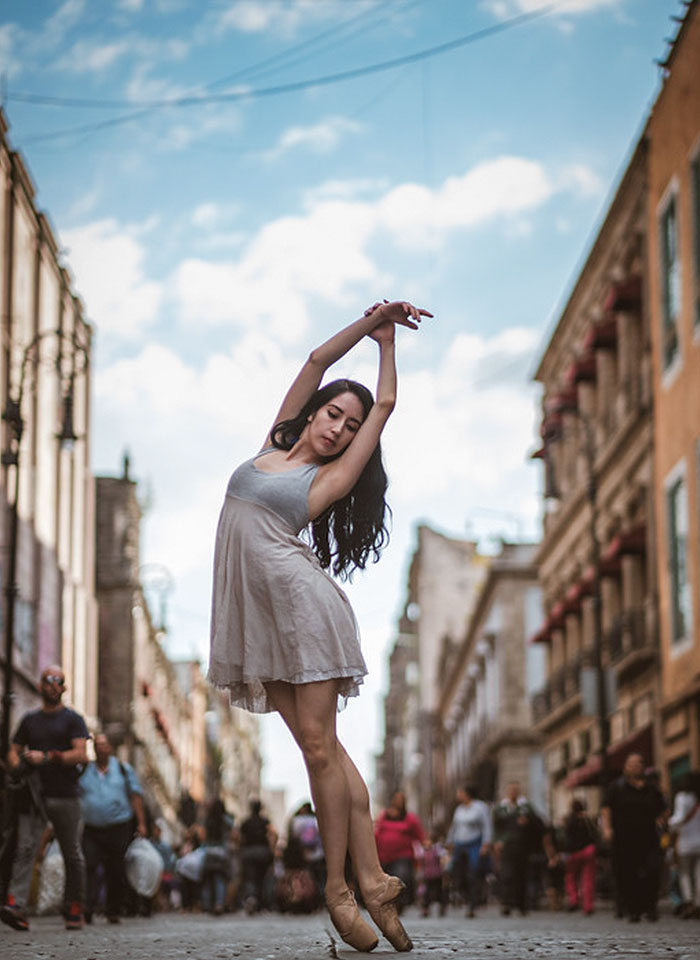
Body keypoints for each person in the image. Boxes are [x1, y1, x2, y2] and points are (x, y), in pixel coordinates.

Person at [208, 299, 431, 952]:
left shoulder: (328, 475)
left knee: (315, 749)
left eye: (349, 422)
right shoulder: (275, 441)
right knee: (324, 752)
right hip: (258, 622)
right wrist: (367, 326)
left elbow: (385, 407)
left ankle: (340, 891)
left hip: (304, 613)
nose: (338, 427)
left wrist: (389, 350)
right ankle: (376, 882)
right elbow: (315, 360)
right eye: (334, 412)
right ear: (313, 412)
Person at [0, 665, 88, 932]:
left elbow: (81, 754)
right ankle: (17, 906)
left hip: (64, 795)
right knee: (26, 849)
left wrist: (48, 757)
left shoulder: (73, 719)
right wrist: (19, 763)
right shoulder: (30, 721)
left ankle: (74, 907)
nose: (52, 684)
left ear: (63, 687)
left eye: (57, 681)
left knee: (72, 853)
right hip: (34, 795)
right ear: (40, 686)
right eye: (47, 680)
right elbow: (13, 751)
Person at [78, 732, 147, 923]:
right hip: (92, 828)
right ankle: (88, 907)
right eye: (97, 745)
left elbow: (135, 795)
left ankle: (113, 909)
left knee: (115, 869)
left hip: (118, 827)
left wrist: (141, 823)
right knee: (89, 866)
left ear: (110, 748)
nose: (100, 748)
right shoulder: (85, 770)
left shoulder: (123, 769)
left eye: (104, 744)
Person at [601, 752, 666, 922]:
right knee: (627, 875)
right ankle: (634, 910)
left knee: (652, 871)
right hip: (624, 839)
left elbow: (663, 809)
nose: (636, 766)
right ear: (626, 767)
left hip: (649, 837)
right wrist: (607, 829)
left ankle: (650, 907)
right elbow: (606, 809)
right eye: (632, 764)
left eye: (639, 763)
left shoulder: (651, 788)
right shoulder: (616, 787)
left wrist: (662, 820)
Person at [374, 791, 425, 912]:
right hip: (384, 856)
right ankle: (388, 904)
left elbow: (420, 834)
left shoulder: (410, 818)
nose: (398, 801)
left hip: (403, 856)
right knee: (385, 882)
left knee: (401, 877)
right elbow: (376, 832)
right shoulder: (383, 816)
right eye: (396, 798)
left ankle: (400, 903)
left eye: (400, 799)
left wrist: (426, 843)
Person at [445, 785, 492, 918]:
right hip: (460, 843)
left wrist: (486, 843)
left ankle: (473, 902)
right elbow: (454, 827)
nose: (458, 795)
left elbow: (486, 825)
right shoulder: (459, 809)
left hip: (474, 843)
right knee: (455, 871)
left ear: (467, 794)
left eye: (460, 792)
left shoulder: (480, 807)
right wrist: (450, 841)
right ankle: (464, 894)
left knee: (474, 871)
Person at [492, 781, 537, 916]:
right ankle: (506, 902)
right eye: (510, 790)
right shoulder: (501, 808)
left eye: (515, 790)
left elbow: (536, 824)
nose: (513, 792)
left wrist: (528, 822)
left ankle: (521, 904)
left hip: (522, 845)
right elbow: (496, 827)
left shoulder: (526, 807)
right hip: (506, 845)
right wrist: (497, 842)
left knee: (522, 875)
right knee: (507, 874)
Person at [668, 771, 700, 918]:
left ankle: (688, 901)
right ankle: (698, 902)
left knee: (685, 873)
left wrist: (669, 824)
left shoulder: (682, 797)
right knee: (698, 874)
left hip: (686, 842)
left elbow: (679, 818)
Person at [561, 798, 598, 916]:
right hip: (588, 850)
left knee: (570, 877)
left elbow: (565, 837)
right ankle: (588, 905)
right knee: (588, 879)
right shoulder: (588, 820)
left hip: (574, 852)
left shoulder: (569, 820)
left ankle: (574, 899)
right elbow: (595, 835)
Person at [239, 799, 274, 914]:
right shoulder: (265, 822)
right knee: (262, 879)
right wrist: (271, 850)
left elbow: (240, 838)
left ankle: (251, 898)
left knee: (250, 878)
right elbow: (272, 835)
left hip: (249, 851)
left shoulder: (245, 822)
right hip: (262, 851)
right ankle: (262, 903)